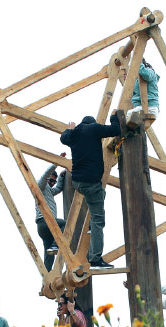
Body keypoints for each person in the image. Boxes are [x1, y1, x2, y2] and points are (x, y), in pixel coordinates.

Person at [59, 112, 121, 269]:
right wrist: (114, 116)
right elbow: (116, 129)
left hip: (78, 182)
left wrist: (70, 128)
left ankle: (92, 227)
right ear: (92, 123)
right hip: (91, 182)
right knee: (99, 220)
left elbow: (63, 138)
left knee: (98, 201)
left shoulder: (74, 134)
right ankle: (95, 259)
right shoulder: (94, 129)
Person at [37, 153, 68, 271]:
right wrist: (56, 162)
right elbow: (45, 176)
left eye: (53, 182)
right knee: (67, 224)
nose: (52, 184)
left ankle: (47, 279)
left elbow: (58, 188)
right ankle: (56, 244)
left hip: (46, 228)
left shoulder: (49, 191)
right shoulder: (40, 187)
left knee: (49, 255)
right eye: (51, 181)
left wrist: (60, 176)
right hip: (45, 222)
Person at [126, 58, 160, 122]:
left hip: (149, 107)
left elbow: (146, 75)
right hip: (142, 108)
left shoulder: (150, 72)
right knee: (124, 118)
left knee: (123, 117)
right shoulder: (137, 81)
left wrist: (138, 62)